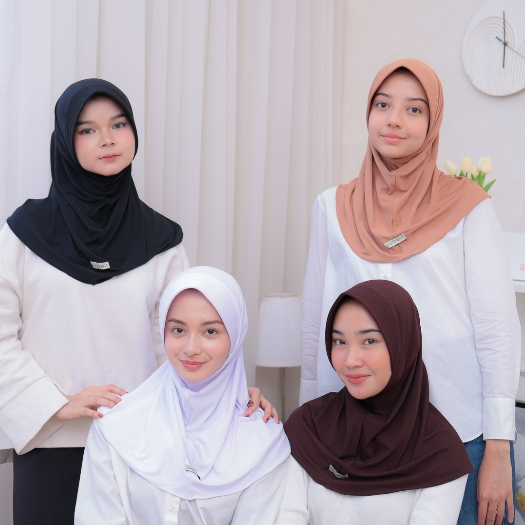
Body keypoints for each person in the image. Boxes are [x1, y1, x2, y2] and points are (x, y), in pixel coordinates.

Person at [0, 79, 275, 525]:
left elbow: (181, 341)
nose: (107, 139)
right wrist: (55, 404)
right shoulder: (23, 235)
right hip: (52, 444)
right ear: (65, 141)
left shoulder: (161, 241)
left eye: (118, 124)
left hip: (142, 446)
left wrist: (230, 393)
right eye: (87, 130)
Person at [299, 58, 520, 525]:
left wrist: (500, 446)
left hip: (457, 429)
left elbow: (497, 329)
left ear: (433, 122)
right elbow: (316, 322)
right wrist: (313, 422)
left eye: (414, 109)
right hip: (361, 429)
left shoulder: (467, 207)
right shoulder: (332, 208)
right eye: (383, 105)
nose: (394, 120)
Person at [75, 266, 290, 524]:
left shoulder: (263, 440)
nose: (191, 348)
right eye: (178, 330)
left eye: (210, 331)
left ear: (235, 337)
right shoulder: (116, 423)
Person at [277, 280, 473, 524]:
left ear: (403, 344)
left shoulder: (441, 452)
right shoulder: (307, 426)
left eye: (369, 341)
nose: (351, 360)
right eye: (340, 341)